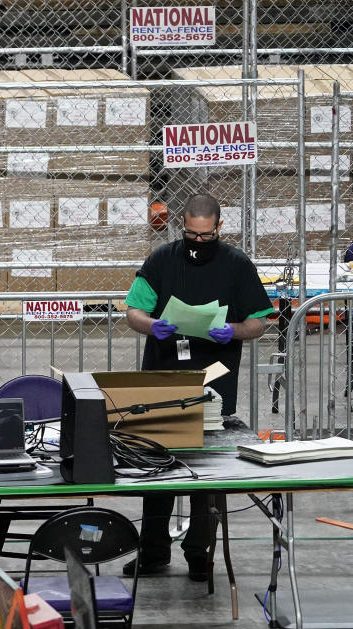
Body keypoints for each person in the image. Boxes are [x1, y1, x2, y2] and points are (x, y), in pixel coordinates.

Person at [121, 193, 273, 581]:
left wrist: (234, 331)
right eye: (191, 234)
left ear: (219, 228)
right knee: (157, 467)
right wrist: (152, 325)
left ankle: (199, 554)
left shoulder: (237, 265)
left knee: (207, 474)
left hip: (215, 378)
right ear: (181, 226)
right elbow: (134, 310)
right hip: (163, 377)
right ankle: (153, 552)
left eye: (206, 236)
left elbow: (259, 320)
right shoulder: (161, 260)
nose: (198, 242)